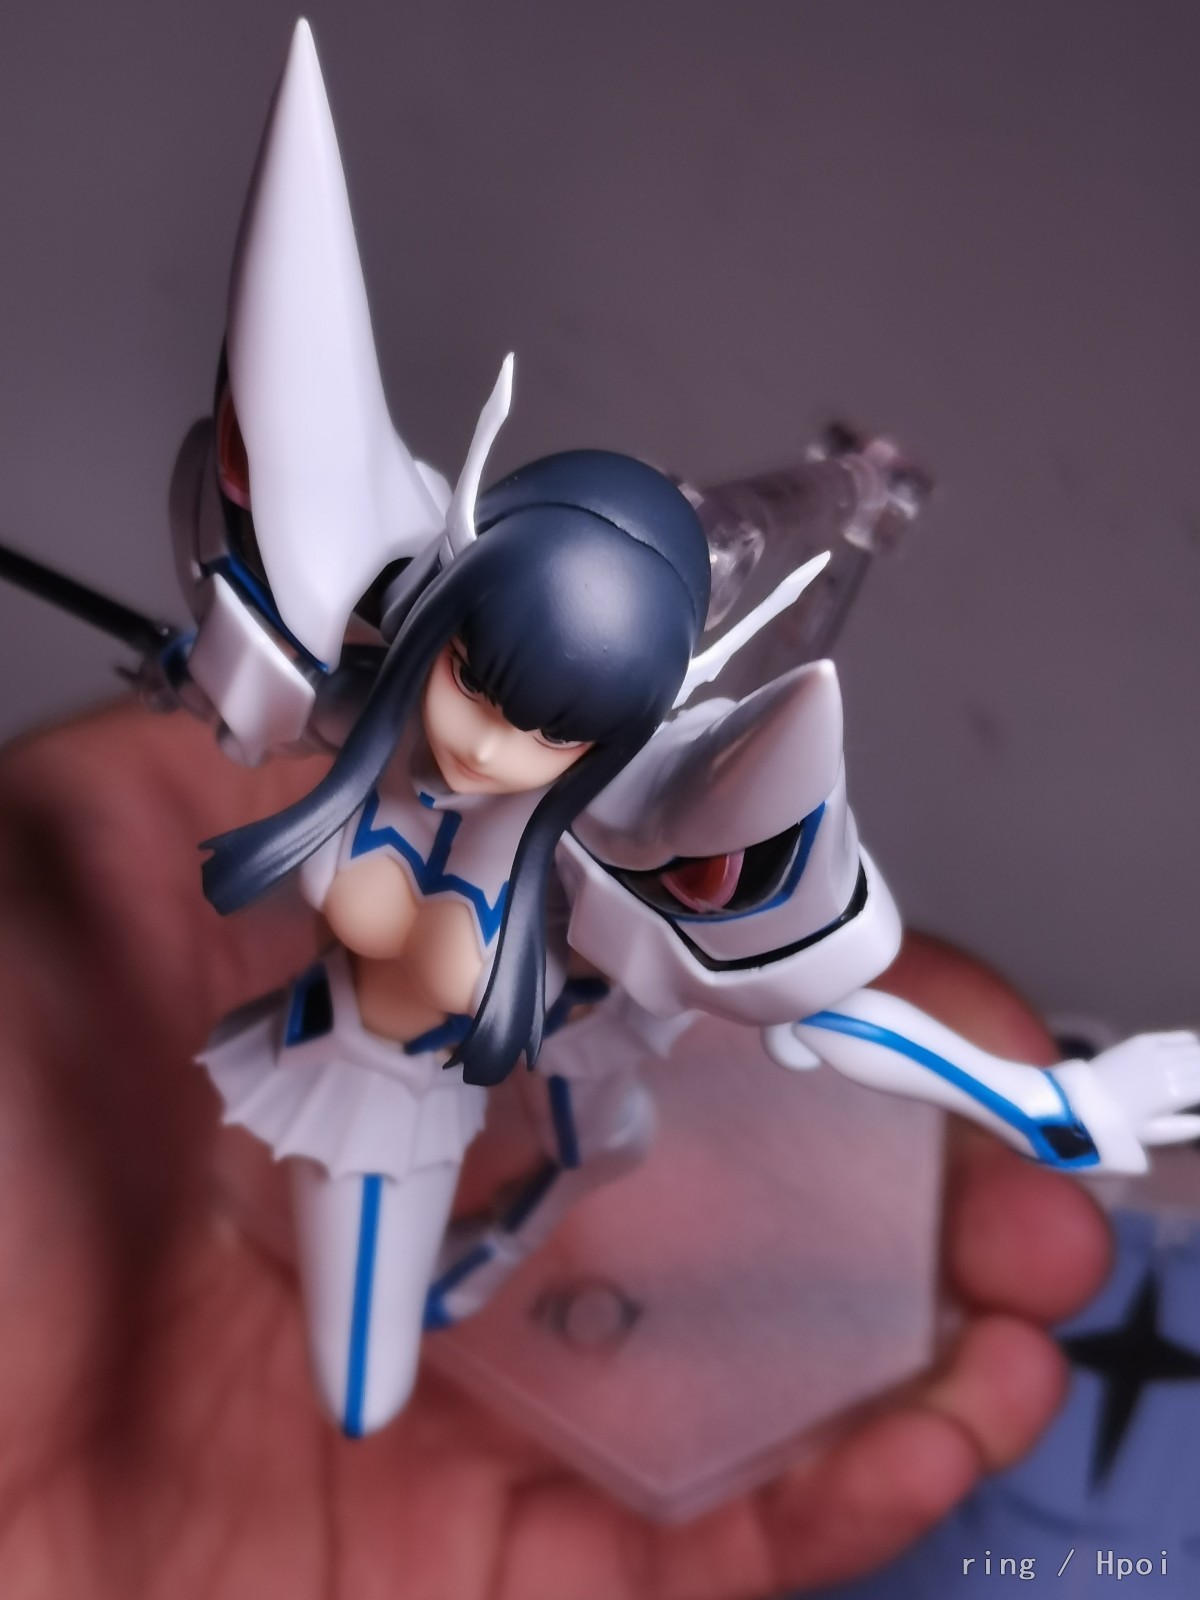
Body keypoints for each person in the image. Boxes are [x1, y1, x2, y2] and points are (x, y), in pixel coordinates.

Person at [0, 699, 1113, 1598]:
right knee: (376, 1335)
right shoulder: (444, 819)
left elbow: (841, 1018)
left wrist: (1028, 1098)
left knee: (598, 1149)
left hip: (573, 1061)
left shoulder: (673, 884)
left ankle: (478, 1240)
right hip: (409, 1061)